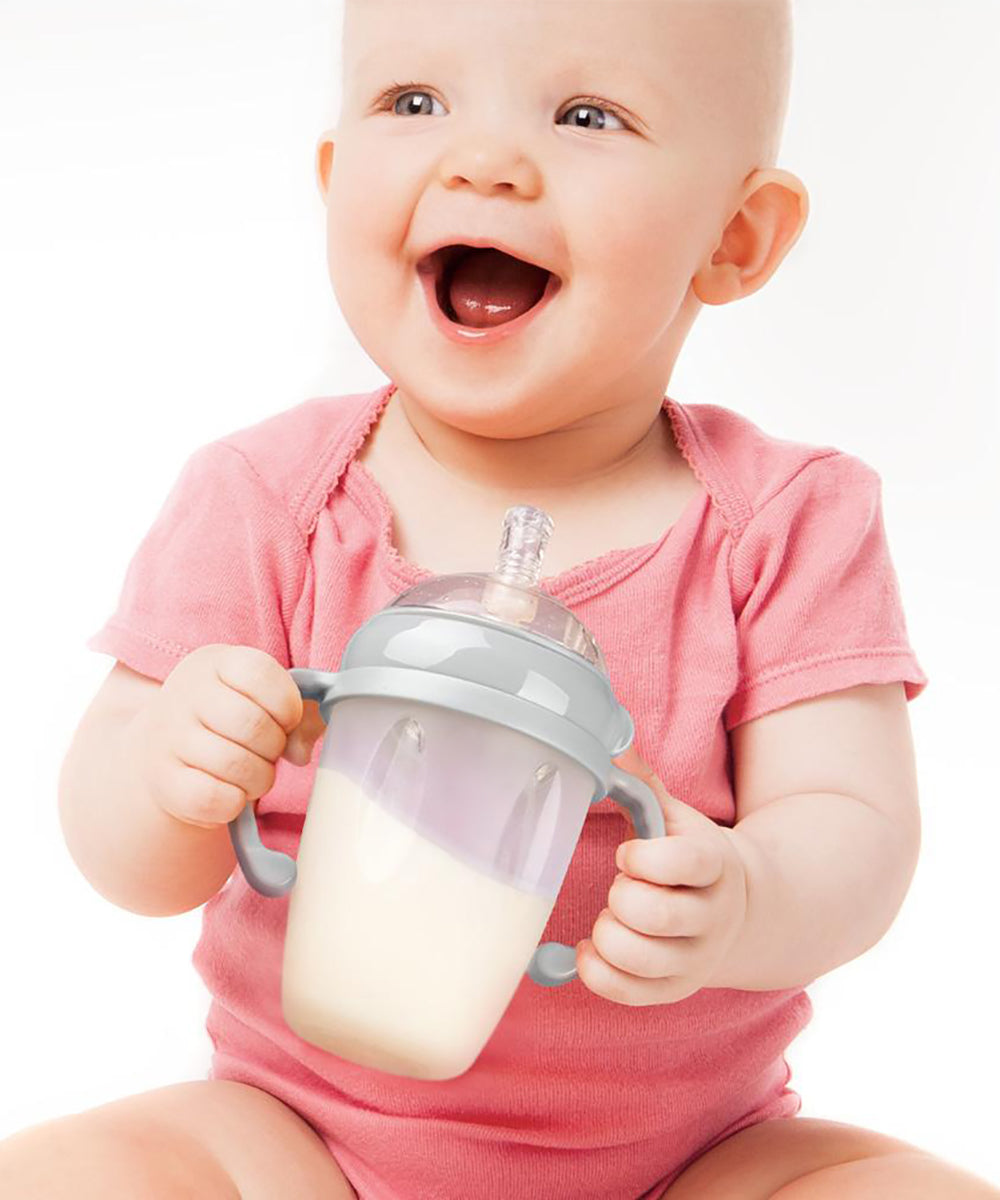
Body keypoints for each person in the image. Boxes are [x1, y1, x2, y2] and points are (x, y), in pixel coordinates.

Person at [2, 1, 997, 1196]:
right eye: (412, 103)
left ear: (734, 236)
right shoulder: (269, 497)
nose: (481, 161)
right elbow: (122, 858)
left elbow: (856, 830)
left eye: (586, 114)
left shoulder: (784, 521)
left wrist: (749, 897)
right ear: (331, 177)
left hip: (693, 1164)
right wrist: (170, 760)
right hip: (299, 1136)